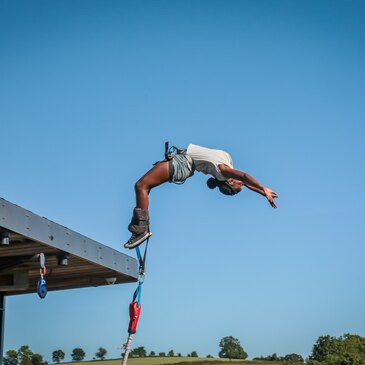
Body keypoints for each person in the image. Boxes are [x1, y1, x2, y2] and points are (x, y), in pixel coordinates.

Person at [124, 143, 278, 249]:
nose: (243, 185)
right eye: (242, 186)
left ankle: (140, 229)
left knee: (141, 186)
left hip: (183, 164)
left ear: (230, 181)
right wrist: (262, 192)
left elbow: (245, 177)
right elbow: (247, 182)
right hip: (183, 160)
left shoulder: (224, 170)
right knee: (145, 187)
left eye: (240, 186)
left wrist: (262, 187)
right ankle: (140, 225)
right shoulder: (228, 164)